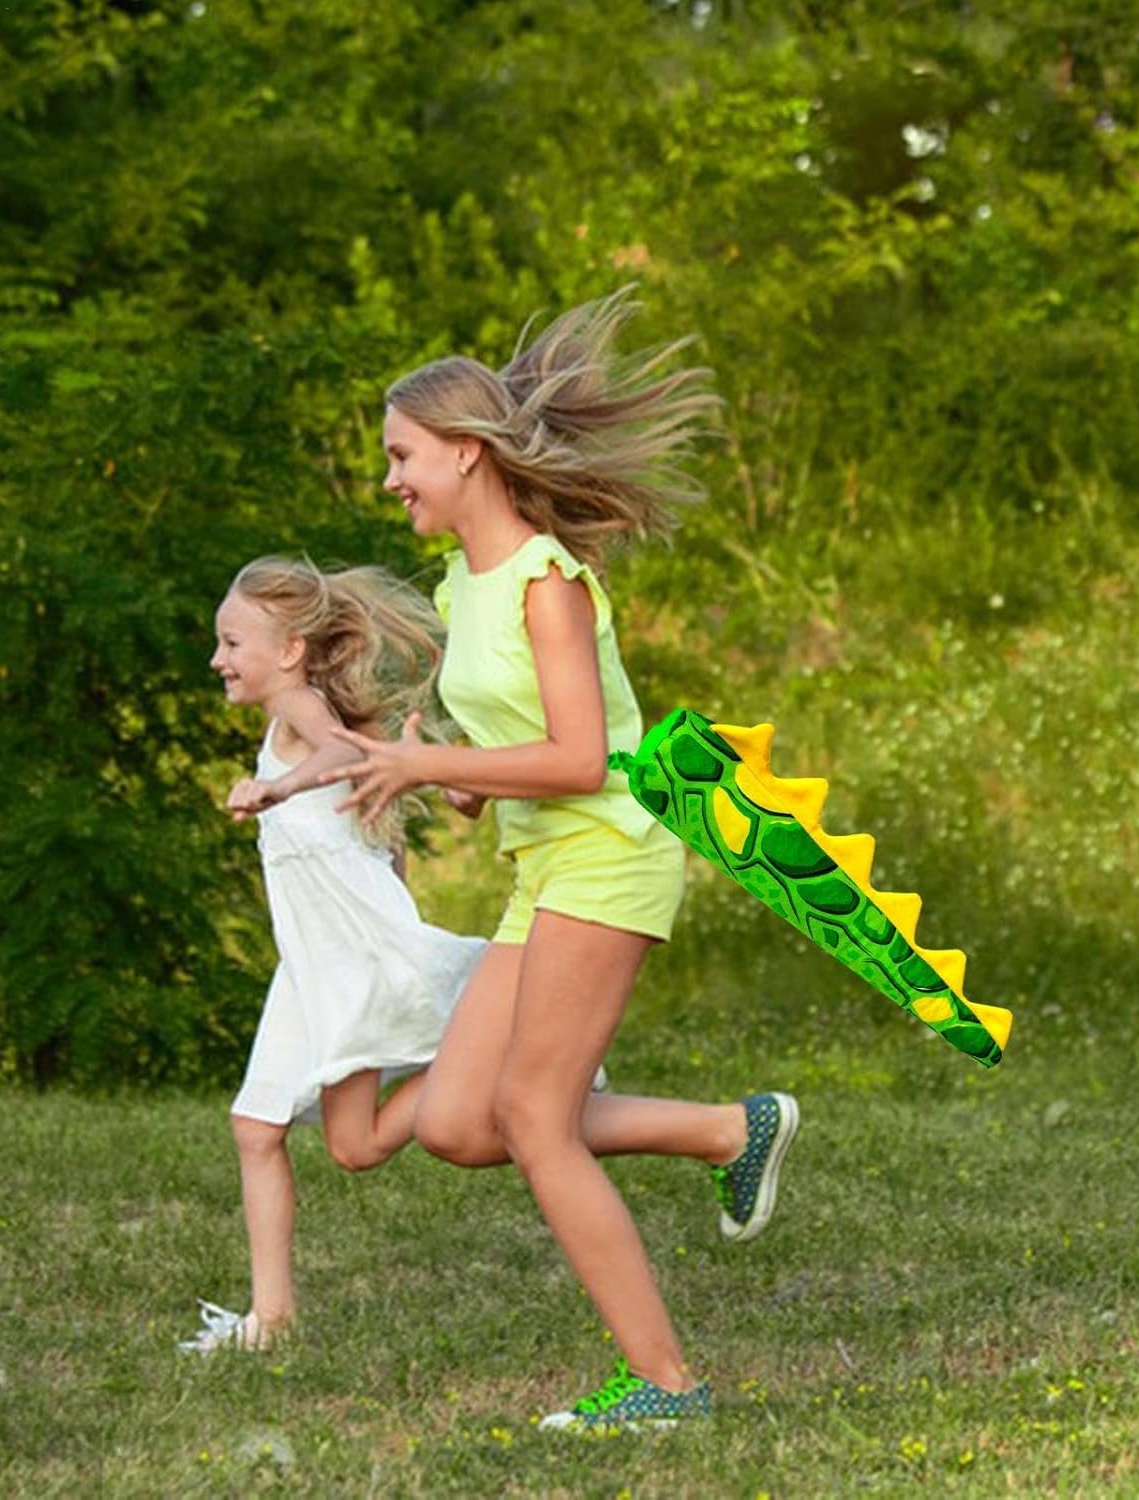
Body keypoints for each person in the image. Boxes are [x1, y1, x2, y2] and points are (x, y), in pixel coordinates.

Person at [329, 289, 800, 1431]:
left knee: (536, 1122)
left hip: (608, 854)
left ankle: (667, 1386)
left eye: (401, 456)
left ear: (464, 452)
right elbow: (516, 746)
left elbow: (585, 757)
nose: (390, 480)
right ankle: (728, 1129)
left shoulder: (548, 581)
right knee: (454, 1123)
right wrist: (441, 773)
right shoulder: (467, 583)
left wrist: (431, 765)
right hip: (545, 868)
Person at [180, 556, 489, 1353]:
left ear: (289, 651)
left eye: (232, 643)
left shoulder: (303, 711)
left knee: (261, 1128)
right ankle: (272, 1317)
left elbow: (338, 755)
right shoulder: (306, 717)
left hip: (348, 965)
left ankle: (486, 1044)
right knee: (348, 1145)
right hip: (313, 970)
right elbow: (372, 779)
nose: (218, 659)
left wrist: (277, 790)